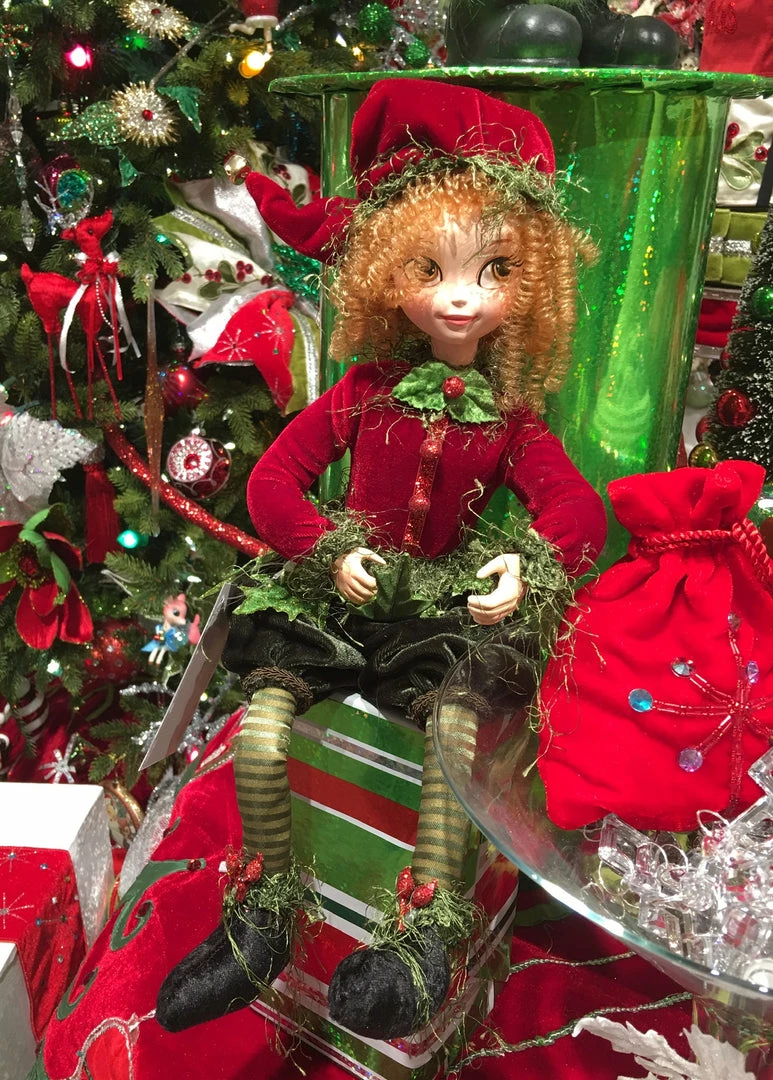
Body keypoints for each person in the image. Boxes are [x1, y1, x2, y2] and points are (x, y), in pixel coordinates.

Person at [157, 78, 607, 1041]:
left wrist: (525, 562)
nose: (459, 295)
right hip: (339, 592)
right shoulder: (362, 391)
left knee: (451, 735)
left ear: (529, 284)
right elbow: (274, 483)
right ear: (385, 269)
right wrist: (325, 549)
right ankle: (265, 912)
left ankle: (424, 939)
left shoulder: (510, 419)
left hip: (436, 609)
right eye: (429, 268)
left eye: (493, 270)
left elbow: (575, 506)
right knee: (262, 729)